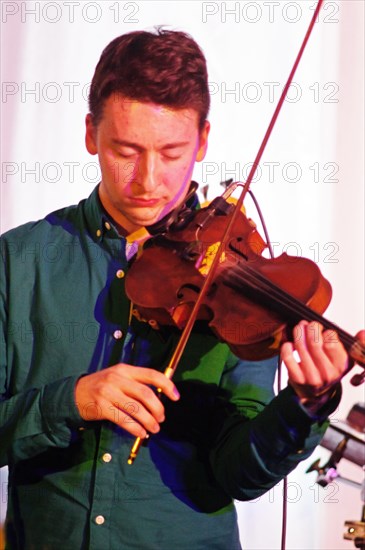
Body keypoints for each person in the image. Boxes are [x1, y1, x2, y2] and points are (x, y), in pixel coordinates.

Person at [0, 28, 362, 550]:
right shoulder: (19, 260)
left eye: (172, 152)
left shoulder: (238, 286)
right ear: (89, 134)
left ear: (204, 140)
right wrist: (71, 401)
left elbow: (240, 474)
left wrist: (304, 405)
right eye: (126, 150)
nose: (148, 180)